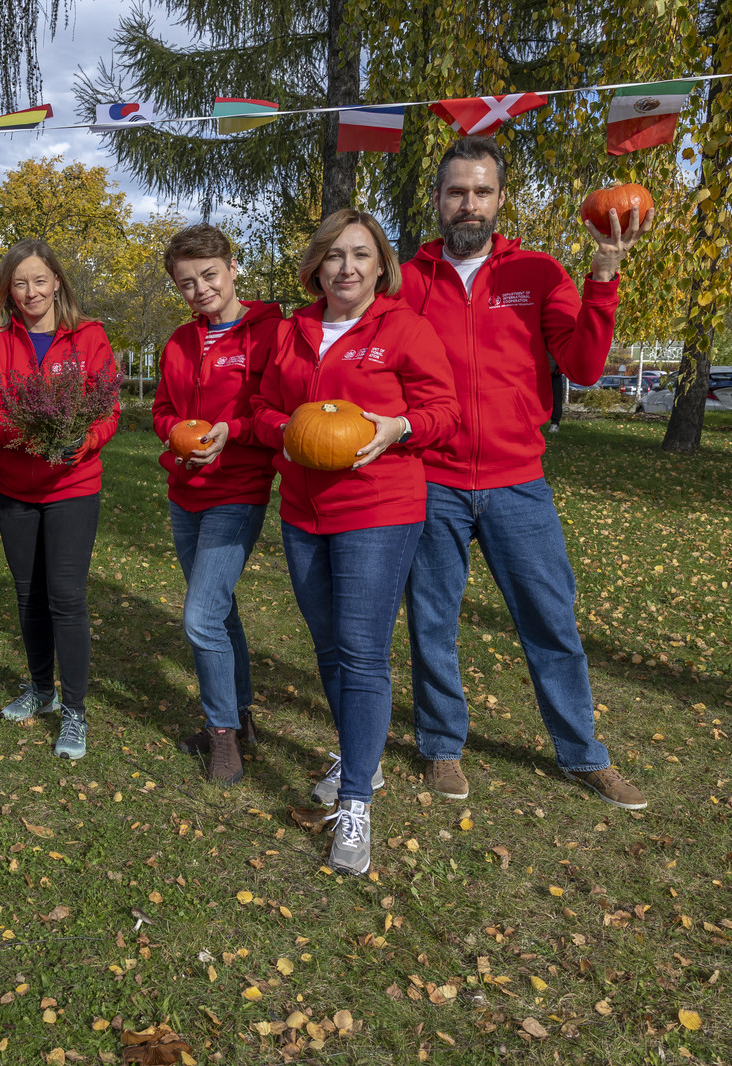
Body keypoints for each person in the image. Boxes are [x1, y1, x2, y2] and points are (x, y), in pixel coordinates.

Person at [399, 135, 650, 811]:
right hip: (432, 479)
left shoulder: (538, 273)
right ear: (438, 199)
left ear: (500, 199)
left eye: (481, 191)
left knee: (551, 620)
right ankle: (441, 746)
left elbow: (584, 366)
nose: (469, 204)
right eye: (457, 192)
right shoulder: (405, 281)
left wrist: (603, 276)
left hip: (517, 482)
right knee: (433, 620)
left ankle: (583, 754)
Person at [249, 208, 459, 875]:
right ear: (317, 266)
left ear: (380, 266)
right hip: (303, 511)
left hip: (378, 508)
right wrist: (285, 433)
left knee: (363, 654)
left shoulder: (404, 328)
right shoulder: (293, 331)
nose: (347, 267)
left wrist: (400, 427)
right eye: (335, 255)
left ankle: (356, 801)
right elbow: (262, 407)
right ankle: (360, 756)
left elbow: (445, 411)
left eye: (361, 255)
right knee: (329, 647)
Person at [0, 239, 120, 760]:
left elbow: (108, 407)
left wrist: (84, 440)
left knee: (66, 597)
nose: (31, 292)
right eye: (20, 283)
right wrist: (23, 433)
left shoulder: (89, 336)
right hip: (14, 487)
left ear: (57, 282)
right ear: (8, 290)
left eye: (40, 280)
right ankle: (41, 689)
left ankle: (74, 710)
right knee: (28, 594)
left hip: (72, 486)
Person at [152, 224, 283, 784]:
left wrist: (233, 430)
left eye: (209, 275)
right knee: (220, 609)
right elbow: (162, 409)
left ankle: (221, 732)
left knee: (201, 616)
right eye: (187, 283)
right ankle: (242, 713)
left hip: (238, 490)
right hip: (186, 490)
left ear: (232, 268)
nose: (201, 289)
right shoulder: (180, 342)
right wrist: (175, 432)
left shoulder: (271, 332)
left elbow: (276, 408)